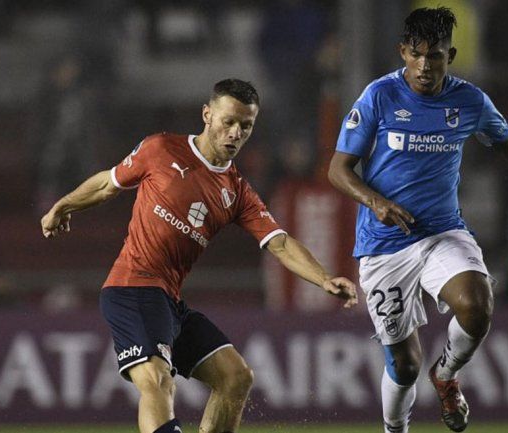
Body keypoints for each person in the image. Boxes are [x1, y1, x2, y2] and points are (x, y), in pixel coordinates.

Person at [328, 7, 508, 433]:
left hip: (442, 233)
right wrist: (375, 202)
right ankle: (395, 429)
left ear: (449, 55)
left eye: (435, 56)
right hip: (384, 244)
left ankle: (447, 374)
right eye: (417, 55)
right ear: (403, 52)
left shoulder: (468, 100)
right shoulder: (379, 96)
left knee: (477, 305)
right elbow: (338, 170)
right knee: (404, 364)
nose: (425, 66)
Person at [41, 79, 358, 433]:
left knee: (236, 378)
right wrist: (63, 205)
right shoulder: (160, 148)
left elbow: (280, 243)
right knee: (158, 381)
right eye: (229, 121)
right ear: (207, 115)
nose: (236, 133)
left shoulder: (236, 191)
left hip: (169, 302)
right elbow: (107, 183)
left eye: (246, 126)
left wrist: (324, 278)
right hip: (132, 289)